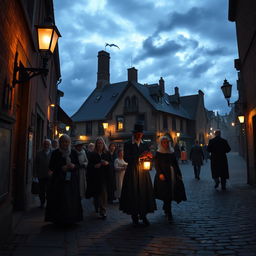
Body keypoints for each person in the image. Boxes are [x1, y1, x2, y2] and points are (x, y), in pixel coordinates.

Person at [119, 122, 156, 226]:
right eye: (137, 134)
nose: (139, 135)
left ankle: (144, 215)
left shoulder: (145, 144)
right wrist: (139, 157)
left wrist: (149, 157)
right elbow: (126, 159)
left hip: (143, 172)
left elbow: (148, 157)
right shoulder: (128, 144)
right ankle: (134, 215)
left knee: (144, 193)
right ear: (134, 134)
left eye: (141, 134)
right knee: (133, 193)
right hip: (132, 172)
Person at [45, 134, 83, 225]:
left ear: (69, 142)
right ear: (60, 143)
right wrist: (61, 168)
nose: (65, 144)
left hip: (71, 181)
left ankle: (72, 219)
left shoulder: (73, 152)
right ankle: (59, 219)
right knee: (60, 200)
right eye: (63, 142)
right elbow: (51, 167)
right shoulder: (55, 153)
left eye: (67, 142)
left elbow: (78, 165)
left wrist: (73, 166)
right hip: (59, 181)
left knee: (71, 200)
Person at [154, 136, 185, 222]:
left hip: (172, 174)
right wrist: (160, 173)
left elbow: (175, 164)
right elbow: (157, 164)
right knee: (165, 192)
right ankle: (168, 210)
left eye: (167, 142)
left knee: (170, 192)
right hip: (163, 175)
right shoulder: (158, 152)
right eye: (164, 142)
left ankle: (168, 209)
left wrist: (179, 173)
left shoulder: (171, 151)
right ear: (161, 143)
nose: (166, 144)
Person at [86, 137, 110, 219]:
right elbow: (89, 166)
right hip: (95, 177)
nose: (100, 145)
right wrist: (94, 166)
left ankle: (103, 210)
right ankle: (97, 206)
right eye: (98, 143)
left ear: (103, 144)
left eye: (101, 143)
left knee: (103, 193)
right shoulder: (92, 154)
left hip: (104, 177)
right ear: (96, 145)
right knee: (96, 194)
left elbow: (110, 164)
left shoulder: (106, 154)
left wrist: (107, 163)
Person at [34, 139, 52, 208]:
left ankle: (48, 202)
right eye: (45, 144)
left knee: (49, 190)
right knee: (41, 190)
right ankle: (42, 202)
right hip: (41, 175)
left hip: (50, 175)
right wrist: (35, 174)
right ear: (43, 145)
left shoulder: (52, 153)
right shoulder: (39, 153)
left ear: (50, 145)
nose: (46, 145)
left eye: (48, 144)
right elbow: (36, 164)